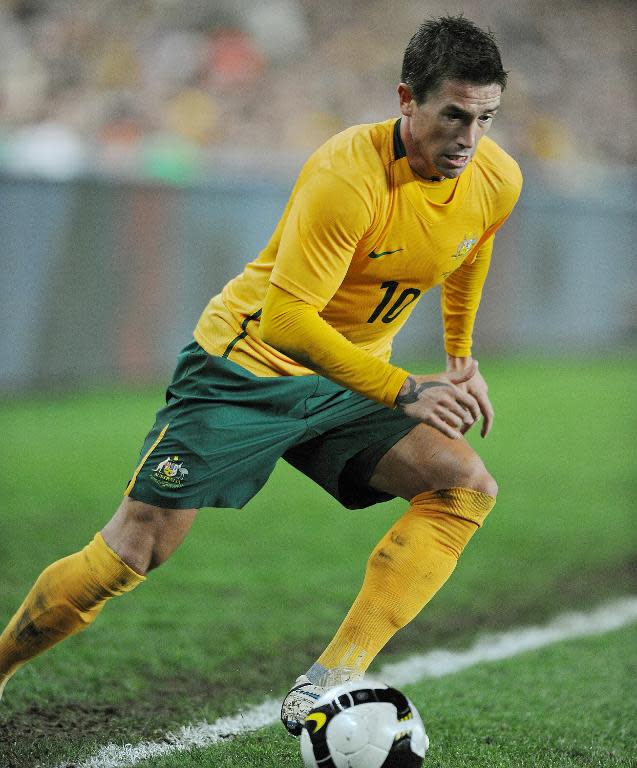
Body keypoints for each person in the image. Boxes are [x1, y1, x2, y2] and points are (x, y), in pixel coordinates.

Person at [0, 15, 522, 737]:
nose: (468, 138)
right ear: (406, 99)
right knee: (132, 552)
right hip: (244, 370)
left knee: (463, 489)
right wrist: (405, 388)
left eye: (485, 118)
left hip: (348, 377)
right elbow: (285, 323)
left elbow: (468, 249)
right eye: (453, 116)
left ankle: (328, 681)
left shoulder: (494, 177)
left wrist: (460, 361)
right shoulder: (346, 176)